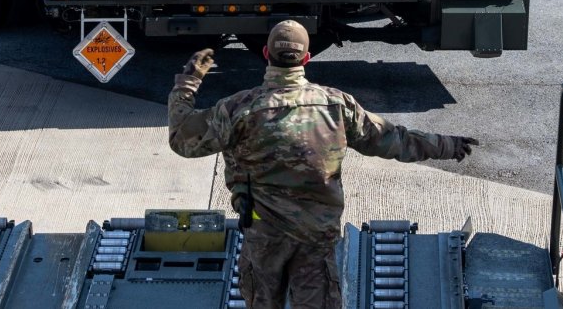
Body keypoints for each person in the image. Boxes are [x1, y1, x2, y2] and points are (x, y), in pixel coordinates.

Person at [167, 21, 479, 309]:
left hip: (263, 236)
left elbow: (182, 140)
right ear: (306, 58)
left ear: (266, 54)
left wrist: (189, 82)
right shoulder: (336, 105)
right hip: (315, 239)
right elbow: (391, 139)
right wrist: (447, 145)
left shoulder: (237, 109)